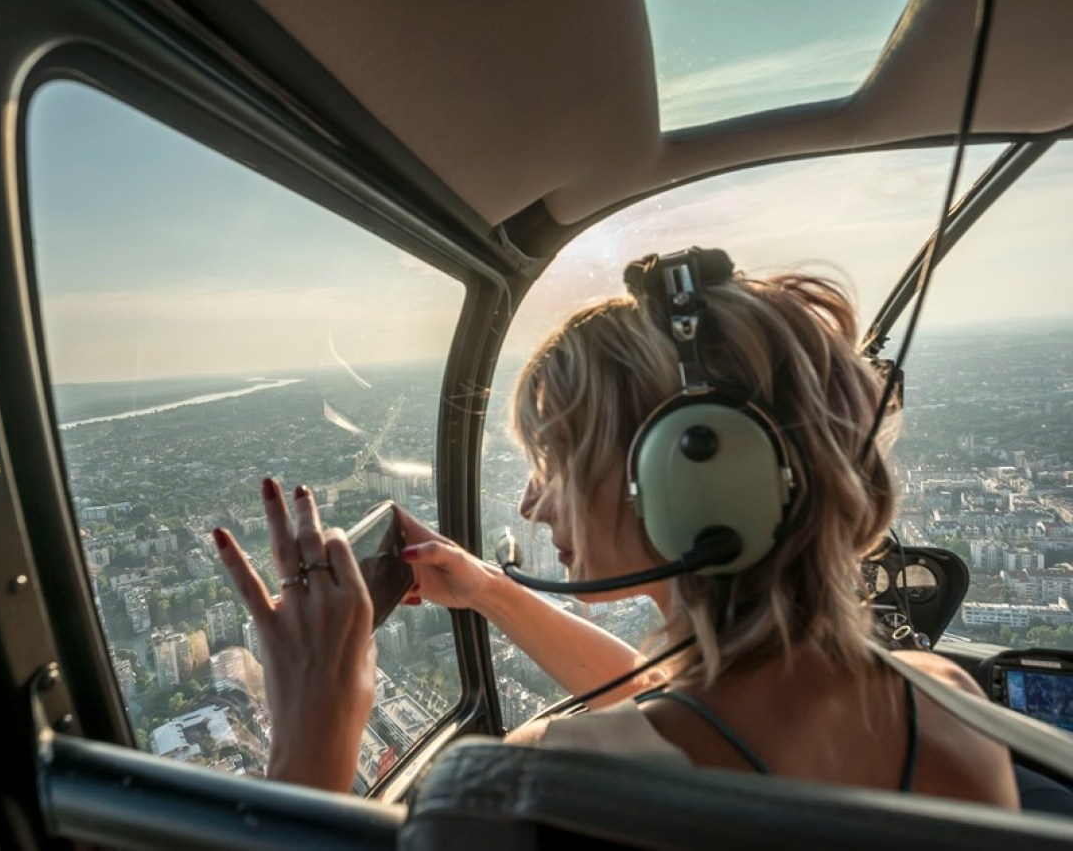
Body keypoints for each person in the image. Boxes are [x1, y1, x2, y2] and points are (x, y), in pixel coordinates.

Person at [213, 250, 1018, 807]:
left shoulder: (531, 787)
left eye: (554, 464)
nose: (531, 506)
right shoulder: (950, 709)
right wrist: (494, 594)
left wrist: (310, 737)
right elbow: (678, 704)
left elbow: (673, 726)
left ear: (690, 472)